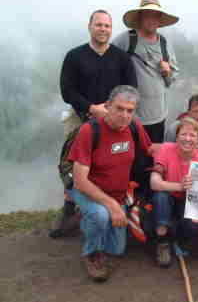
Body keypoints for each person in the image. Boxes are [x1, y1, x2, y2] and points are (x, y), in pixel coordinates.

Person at [52, 10, 137, 238]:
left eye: (107, 26)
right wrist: (91, 109)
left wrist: (111, 112)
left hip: (113, 118)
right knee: (71, 163)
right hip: (81, 115)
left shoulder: (121, 58)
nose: (103, 29)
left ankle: (104, 203)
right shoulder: (74, 56)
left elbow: (131, 88)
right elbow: (67, 90)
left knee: (109, 160)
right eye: (98, 25)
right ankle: (69, 207)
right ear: (89, 26)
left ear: (111, 29)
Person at [67, 85, 152, 282]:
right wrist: (112, 205)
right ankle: (92, 253)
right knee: (100, 215)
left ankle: (91, 223)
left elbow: (151, 150)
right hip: (88, 190)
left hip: (118, 193)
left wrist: (184, 152)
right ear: (108, 105)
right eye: (119, 108)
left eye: (130, 110)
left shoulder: (134, 127)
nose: (124, 115)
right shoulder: (90, 131)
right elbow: (80, 181)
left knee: (117, 249)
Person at [113, 0, 179, 143]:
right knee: (130, 159)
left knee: (152, 158)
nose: (152, 20)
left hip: (158, 116)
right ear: (140, 17)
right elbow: (108, 62)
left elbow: (171, 78)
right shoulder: (127, 39)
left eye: (155, 16)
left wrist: (167, 72)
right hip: (130, 117)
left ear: (160, 19)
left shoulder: (164, 43)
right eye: (147, 15)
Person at [150, 117, 198, 267]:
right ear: (176, 136)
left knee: (194, 224)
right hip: (169, 197)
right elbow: (154, 182)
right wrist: (180, 186)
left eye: (192, 135)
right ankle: (162, 241)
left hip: (187, 201)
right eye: (183, 134)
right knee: (160, 196)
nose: (187, 139)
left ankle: (179, 239)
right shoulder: (166, 149)